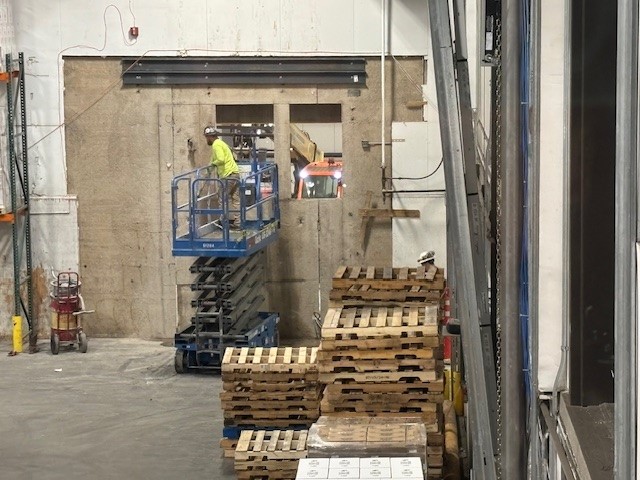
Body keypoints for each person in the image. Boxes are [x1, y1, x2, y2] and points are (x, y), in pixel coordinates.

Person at [203, 126, 241, 229]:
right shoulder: (221, 143)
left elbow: (220, 160)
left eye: (206, 137)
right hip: (235, 173)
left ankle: (223, 221)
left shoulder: (216, 145)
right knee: (235, 199)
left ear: (209, 137)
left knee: (222, 198)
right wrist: (210, 168)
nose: (206, 140)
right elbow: (214, 159)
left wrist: (213, 164)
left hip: (227, 175)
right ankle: (238, 223)